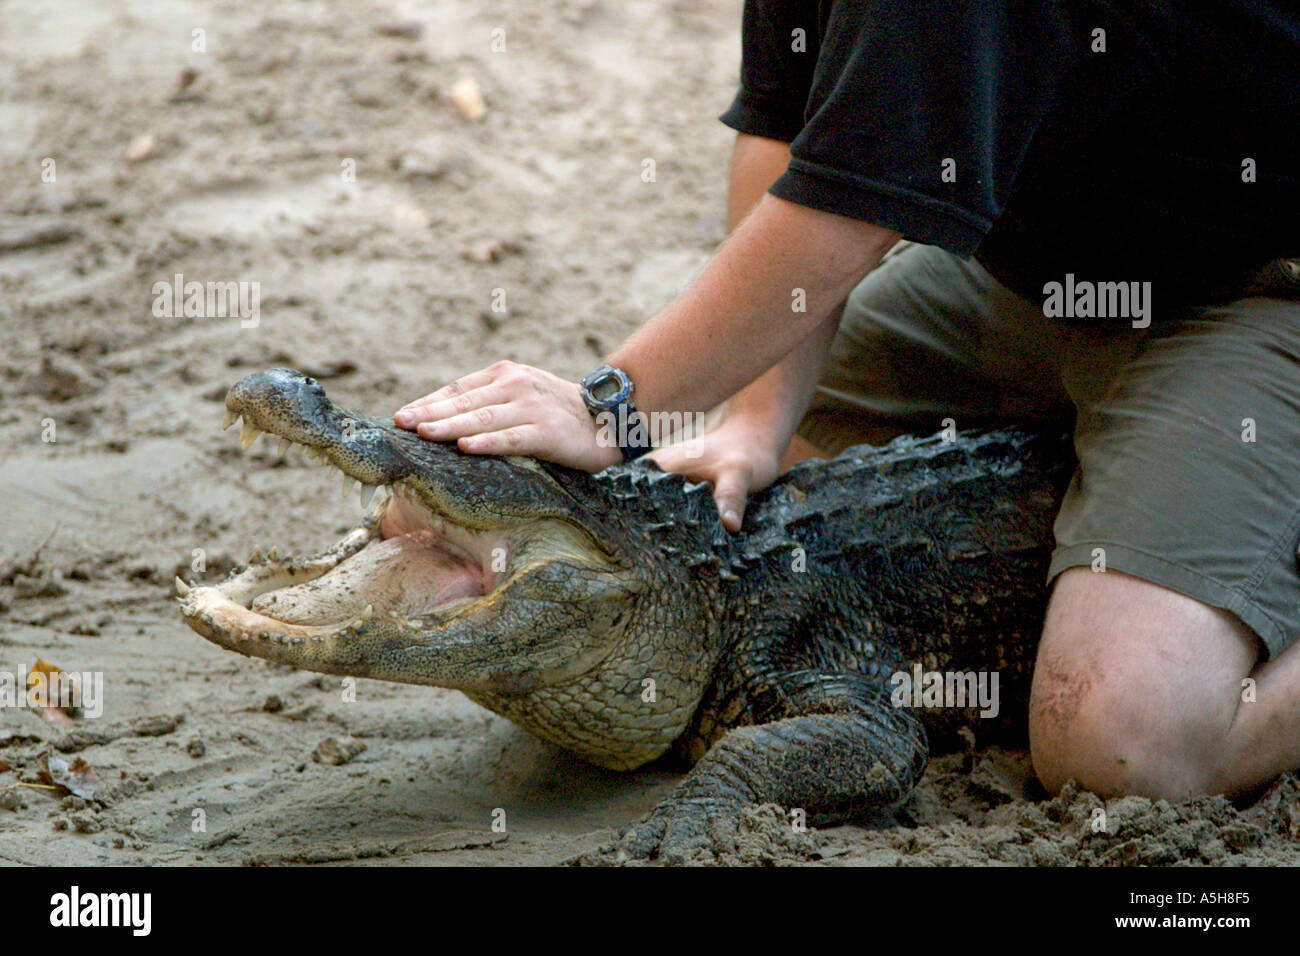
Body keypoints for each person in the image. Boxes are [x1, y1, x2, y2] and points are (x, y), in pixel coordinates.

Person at [393, 2, 1300, 804]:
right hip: (1043, 277)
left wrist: (610, 407)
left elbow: (841, 221)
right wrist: (756, 418)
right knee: (746, 484)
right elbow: (786, 133)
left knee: (1124, 746)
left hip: (1257, 286)